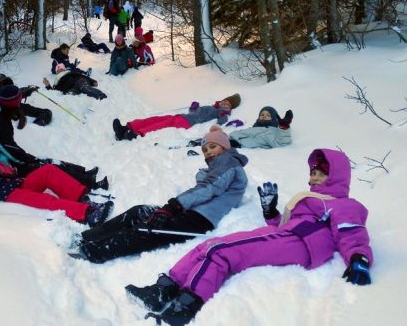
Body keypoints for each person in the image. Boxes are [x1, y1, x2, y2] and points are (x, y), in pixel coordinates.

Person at [125, 148, 373, 325]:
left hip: (300, 243)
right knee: (210, 244)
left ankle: (185, 306)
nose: (312, 177)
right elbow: (284, 225)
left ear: (336, 176)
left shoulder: (344, 204)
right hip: (286, 234)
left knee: (221, 252)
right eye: (312, 172)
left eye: (319, 173)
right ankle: (162, 290)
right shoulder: (313, 200)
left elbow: (352, 232)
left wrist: (359, 257)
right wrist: (270, 211)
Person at [70, 126, 248, 263]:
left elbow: (209, 188)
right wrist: (171, 208)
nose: (208, 151)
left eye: (212, 146)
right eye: (205, 149)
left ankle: (96, 251)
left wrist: (174, 206)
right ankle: (88, 237)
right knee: (139, 212)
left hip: (201, 219)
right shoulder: (218, 166)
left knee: (150, 231)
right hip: (191, 210)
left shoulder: (229, 163)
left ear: (225, 147)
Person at [0, 84, 109, 190]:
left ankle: (84, 174)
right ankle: (91, 184)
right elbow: (10, 150)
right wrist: (30, 159)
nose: (20, 104)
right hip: (4, 165)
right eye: (18, 102)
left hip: (4, 157)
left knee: (48, 160)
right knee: (46, 165)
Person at [0, 135, 114, 226]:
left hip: (17, 185)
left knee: (49, 170)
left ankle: (83, 200)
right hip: (5, 194)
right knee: (45, 199)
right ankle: (86, 214)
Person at [112, 94, 241, 141]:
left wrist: (223, 116)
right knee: (156, 119)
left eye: (228, 103)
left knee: (159, 125)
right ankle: (127, 127)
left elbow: (221, 120)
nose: (225, 103)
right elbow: (194, 112)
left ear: (231, 107)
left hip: (187, 122)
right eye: (225, 101)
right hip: (184, 117)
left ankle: (135, 134)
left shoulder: (222, 110)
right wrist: (194, 107)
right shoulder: (213, 106)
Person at [187, 106, 293, 149]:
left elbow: (281, 142)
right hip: (231, 139)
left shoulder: (273, 131)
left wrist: (284, 126)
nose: (264, 116)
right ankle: (200, 142)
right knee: (215, 137)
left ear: (274, 119)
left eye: (268, 115)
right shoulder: (254, 127)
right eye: (262, 114)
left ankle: (204, 145)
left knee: (217, 144)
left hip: (238, 144)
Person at [42, 63, 107, 100]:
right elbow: (54, 92)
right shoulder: (56, 82)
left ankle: (100, 95)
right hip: (71, 89)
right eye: (58, 70)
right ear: (56, 72)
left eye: (61, 69)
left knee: (84, 87)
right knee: (70, 96)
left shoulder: (70, 73)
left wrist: (92, 81)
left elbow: (81, 75)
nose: (60, 70)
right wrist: (47, 85)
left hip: (79, 81)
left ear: (64, 69)